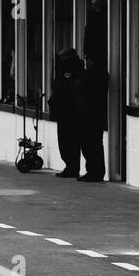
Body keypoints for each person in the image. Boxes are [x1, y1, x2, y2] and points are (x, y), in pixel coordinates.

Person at [49, 48, 85, 178]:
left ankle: (72, 167)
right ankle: (71, 167)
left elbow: (66, 89)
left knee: (69, 141)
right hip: (64, 109)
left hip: (68, 111)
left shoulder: (71, 69)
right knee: (66, 141)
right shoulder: (66, 69)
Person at [78, 58, 108, 182]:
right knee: (95, 144)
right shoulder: (102, 76)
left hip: (89, 114)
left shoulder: (90, 76)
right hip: (96, 114)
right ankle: (95, 171)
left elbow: (78, 87)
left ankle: (93, 172)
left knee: (90, 144)